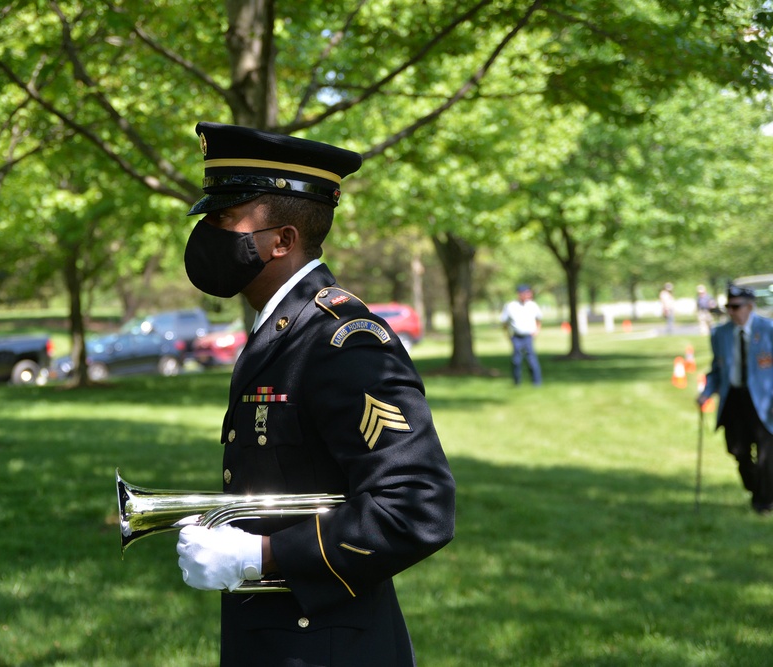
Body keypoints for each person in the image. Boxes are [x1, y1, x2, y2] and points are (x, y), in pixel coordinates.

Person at [175, 122, 456, 666]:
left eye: (225, 218)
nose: (208, 232)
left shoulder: (341, 341)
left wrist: (263, 555)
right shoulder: (284, 328)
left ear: (282, 239)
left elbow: (417, 506)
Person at [697, 284, 773, 514]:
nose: (731, 312)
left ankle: (764, 501)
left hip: (764, 401)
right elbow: (717, 369)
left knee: (766, 453)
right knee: (737, 450)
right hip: (734, 399)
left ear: (750, 306)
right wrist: (706, 392)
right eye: (728, 307)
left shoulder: (768, 329)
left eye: (735, 306)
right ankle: (756, 489)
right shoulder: (719, 334)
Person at [499, 284, 543, 386]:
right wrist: (507, 334)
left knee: (532, 360)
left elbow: (539, 319)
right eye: (525, 293)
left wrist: (537, 331)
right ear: (519, 294)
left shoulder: (532, 305)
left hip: (528, 336)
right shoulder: (510, 306)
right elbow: (504, 322)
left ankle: (537, 383)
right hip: (516, 337)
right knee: (516, 361)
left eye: (528, 293)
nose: (527, 295)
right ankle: (517, 382)